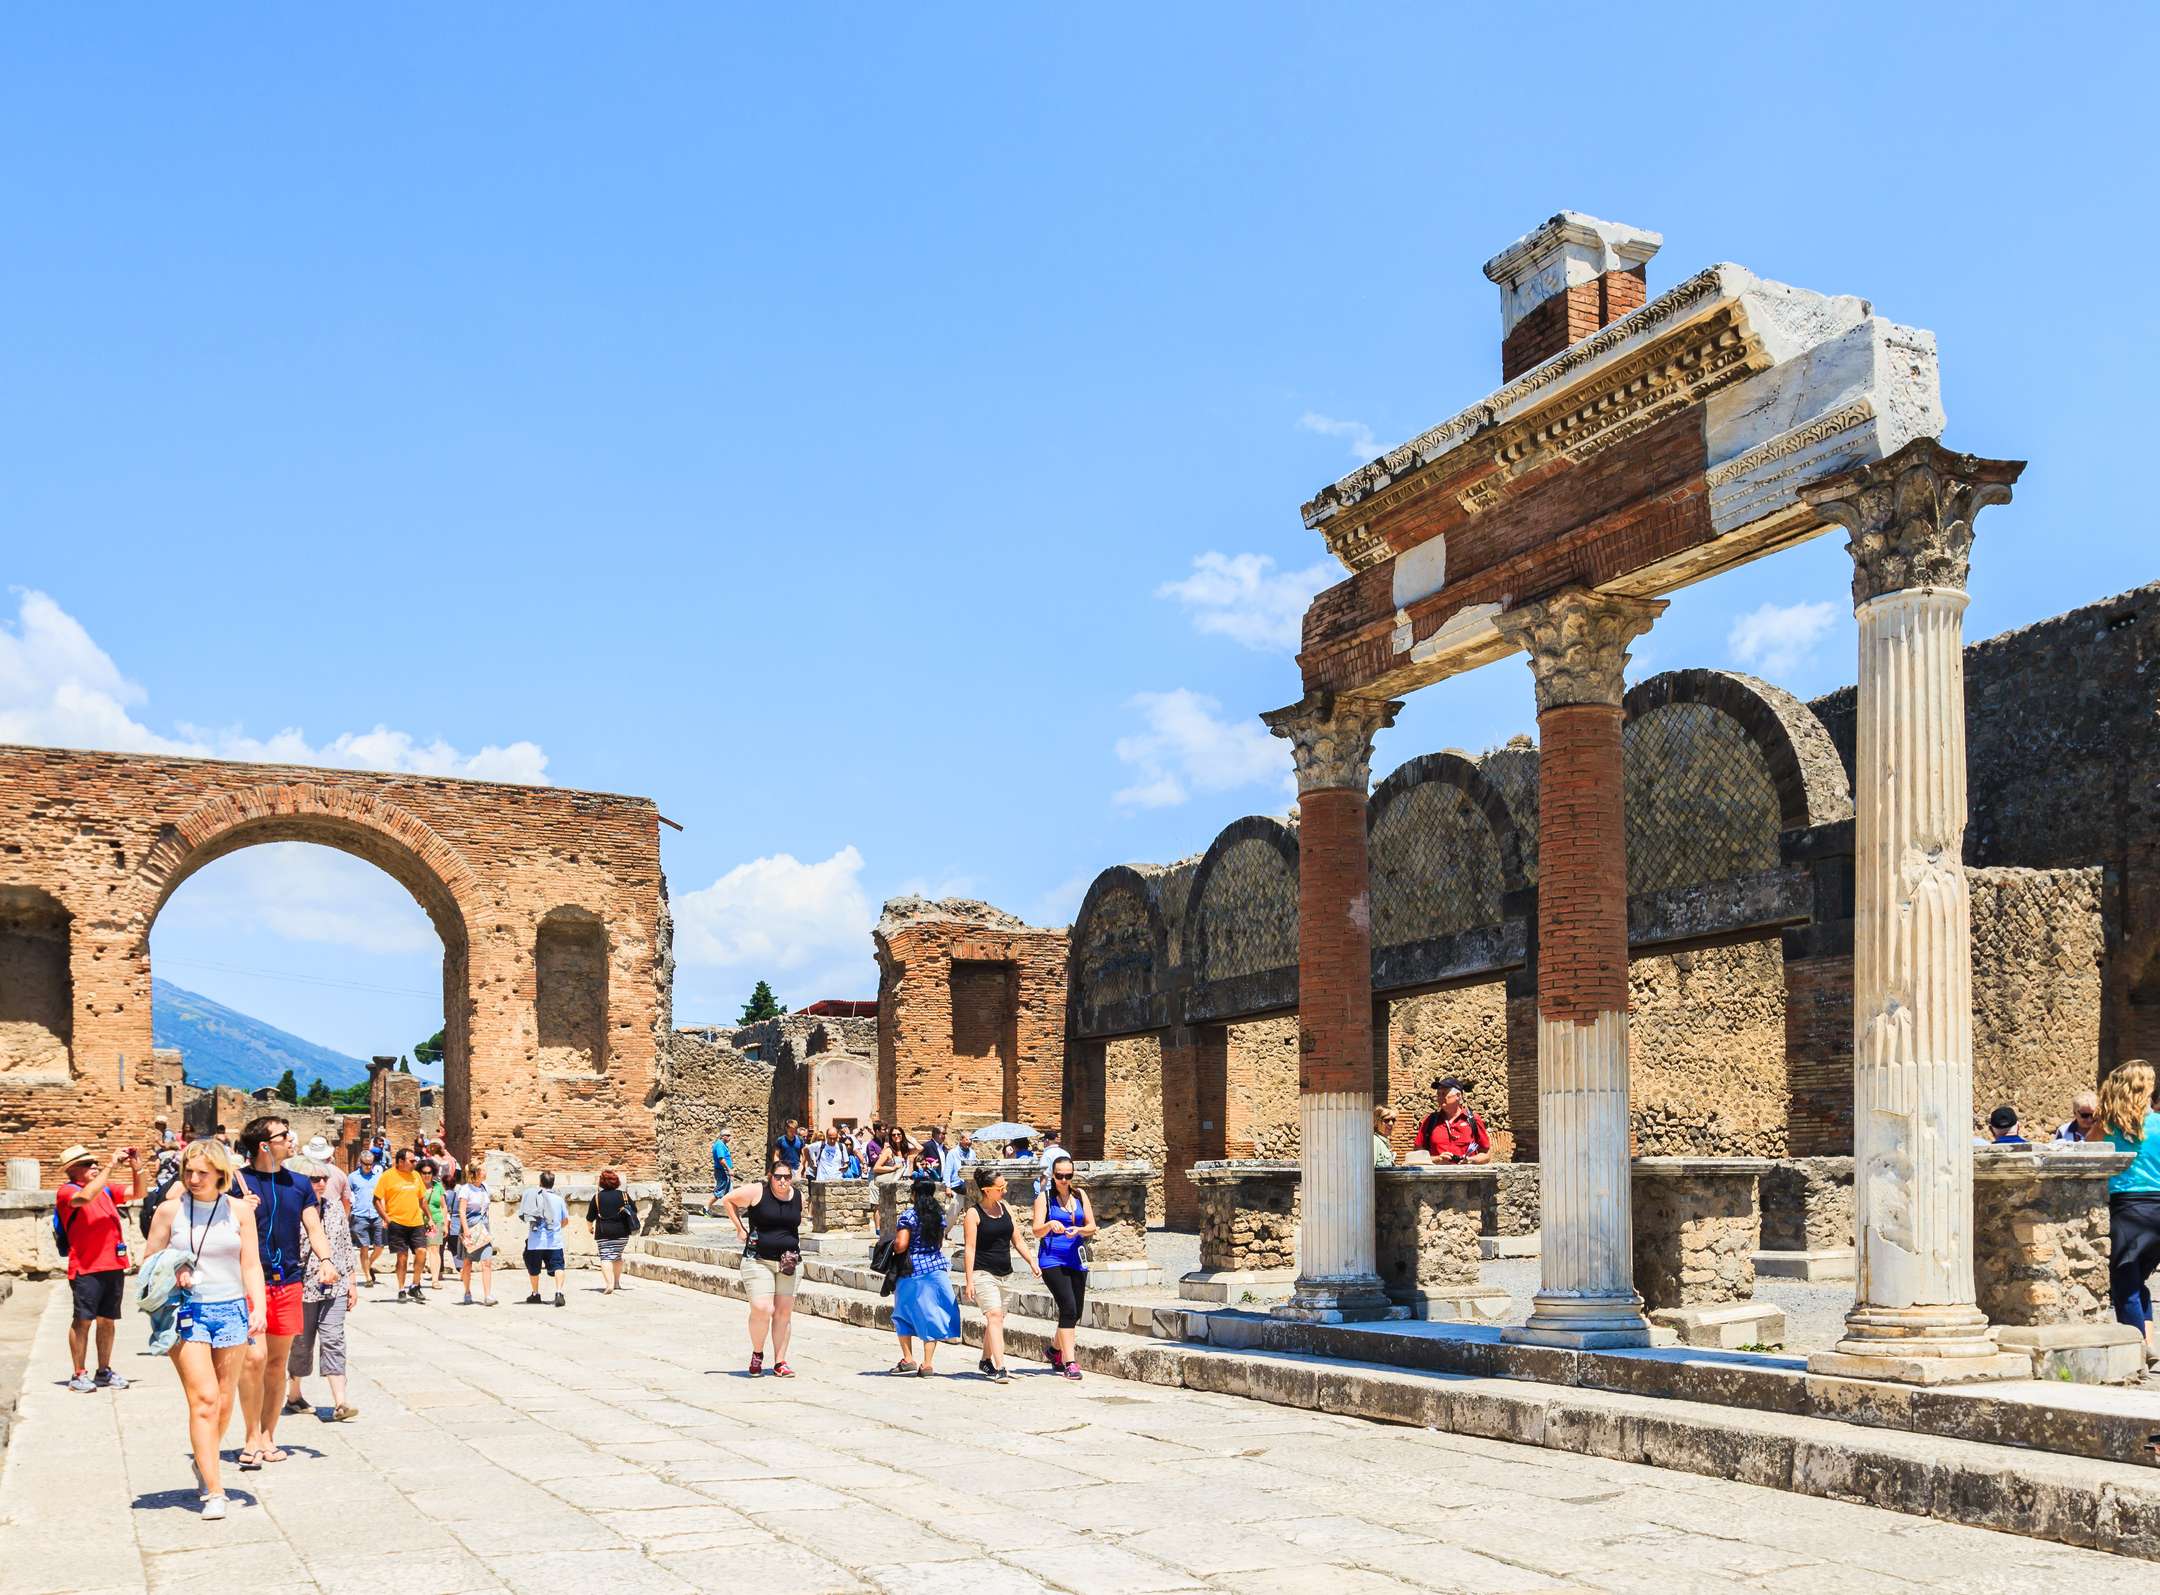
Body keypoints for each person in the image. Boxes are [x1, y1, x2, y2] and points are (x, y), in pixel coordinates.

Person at [142, 1137, 264, 1521]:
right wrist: (174, 1264)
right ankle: (215, 1490)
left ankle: (203, 1457)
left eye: (202, 1173)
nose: (193, 1179)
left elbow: (250, 1264)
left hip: (231, 1309)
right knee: (205, 1399)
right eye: (188, 1172)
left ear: (220, 1174)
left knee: (225, 1401)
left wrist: (258, 1306)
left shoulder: (239, 1211)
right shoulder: (170, 1211)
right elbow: (149, 1260)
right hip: (186, 1312)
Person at [233, 1114, 340, 1468]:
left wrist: (326, 1260)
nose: (291, 1139)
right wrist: (238, 1210)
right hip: (250, 1282)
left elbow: (314, 1227)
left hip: (288, 1281)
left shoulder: (299, 1184)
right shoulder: (237, 1183)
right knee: (254, 1359)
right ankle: (250, 1436)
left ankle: (268, 1435)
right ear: (265, 1145)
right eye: (284, 1135)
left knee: (277, 1364)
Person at [54, 1144, 140, 1393]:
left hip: (113, 1264)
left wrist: (137, 1168)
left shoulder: (106, 1190)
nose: (94, 1165)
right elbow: (84, 1198)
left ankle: (104, 1371)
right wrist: (111, 1166)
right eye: (87, 1164)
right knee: (83, 1321)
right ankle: (78, 1374)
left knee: (107, 1321)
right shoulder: (67, 1191)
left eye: (95, 1162)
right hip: (86, 1267)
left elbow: (138, 1192)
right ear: (72, 1170)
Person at [282, 1153, 360, 1421]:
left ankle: (340, 1402)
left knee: (334, 1339)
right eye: (315, 1179)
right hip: (302, 1286)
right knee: (301, 1343)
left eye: (324, 1178)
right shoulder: (290, 1211)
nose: (322, 1183)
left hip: (335, 1285)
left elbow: (345, 1245)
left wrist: (352, 1282)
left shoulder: (334, 1207)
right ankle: (294, 1394)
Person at [2100, 1059, 2160, 1361]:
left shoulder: (2107, 1127)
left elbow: (2082, 1150)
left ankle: (2134, 1350)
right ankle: (2148, 1342)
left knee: (2124, 1284)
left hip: (2128, 1209)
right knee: (2137, 1281)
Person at [722, 1156, 802, 1376]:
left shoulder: (798, 1196)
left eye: (787, 1177)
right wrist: (740, 1229)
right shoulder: (758, 1191)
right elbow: (728, 1200)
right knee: (762, 1308)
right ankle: (757, 1353)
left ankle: (780, 1362)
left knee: (783, 1313)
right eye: (778, 1177)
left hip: (789, 1262)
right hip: (757, 1260)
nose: (783, 1181)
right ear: (770, 1177)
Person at [961, 1166, 1037, 1384]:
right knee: (994, 1316)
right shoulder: (973, 1214)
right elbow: (970, 1248)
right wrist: (969, 1280)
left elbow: (1018, 1240)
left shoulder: (1005, 1208)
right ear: (987, 1190)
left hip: (1005, 1273)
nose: (1004, 1190)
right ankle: (1000, 1367)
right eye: (1000, 1187)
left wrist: (1032, 1262)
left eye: (1005, 1186)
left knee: (998, 1318)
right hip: (983, 1273)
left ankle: (985, 1359)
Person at [890, 1173, 960, 1375]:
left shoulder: (909, 1216)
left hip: (912, 1271)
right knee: (931, 1315)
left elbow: (901, 1245)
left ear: (914, 1194)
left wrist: (890, 1245)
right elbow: (939, 1243)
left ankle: (908, 1358)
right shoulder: (939, 1216)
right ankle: (927, 1363)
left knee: (903, 1314)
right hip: (936, 1268)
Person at [1032, 1155, 1094, 1379]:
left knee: (1076, 1311)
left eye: (1069, 1175)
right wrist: (1050, 1224)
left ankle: (1054, 1350)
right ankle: (1070, 1362)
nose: (1064, 1180)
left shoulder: (1080, 1195)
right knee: (1068, 1308)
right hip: (1052, 1259)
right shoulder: (1044, 1198)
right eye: (1060, 1176)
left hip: (1076, 1258)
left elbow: (1092, 1226)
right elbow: (1036, 1230)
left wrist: (1079, 1230)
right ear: (1053, 1175)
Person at [375, 1147, 431, 1302]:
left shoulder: (416, 1176)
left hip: (416, 1222)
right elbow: (376, 1200)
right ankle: (401, 1289)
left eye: (415, 1160)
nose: (415, 1163)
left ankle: (415, 1285)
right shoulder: (387, 1176)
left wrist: (430, 1218)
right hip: (397, 1223)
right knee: (402, 1257)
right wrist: (386, 1218)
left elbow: (422, 1199)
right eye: (411, 1161)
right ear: (400, 1161)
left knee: (422, 1251)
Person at [519, 1171, 570, 1306]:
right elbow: (565, 1220)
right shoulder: (559, 1200)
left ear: (540, 1182)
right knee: (558, 1266)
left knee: (533, 1268)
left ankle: (535, 1294)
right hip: (554, 1241)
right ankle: (559, 1293)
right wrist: (556, 1228)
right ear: (553, 1183)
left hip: (535, 1241)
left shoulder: (532, 1197)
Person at [1414, 1078, 1491, 1164]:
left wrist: (1470, 1160)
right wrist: (1438, 1159)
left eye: (1444, 1094)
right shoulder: (1430, 1121)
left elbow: (1486, 1154)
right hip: (1438, 1172)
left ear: (1458, 1095)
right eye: (1438, 1094)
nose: (1440, 1098)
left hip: (1467, 1172)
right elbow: (1418, 1153)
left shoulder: (1473, 1120)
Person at [586, 1169, 639, 1293]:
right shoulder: (624, 1195)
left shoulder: (597, 1197)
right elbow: (634, 1210)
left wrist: (590, 1228)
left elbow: (590, 1217)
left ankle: (609, 1284)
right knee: (617, 1257)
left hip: (604, 1233)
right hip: (622, 1233)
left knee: (605, 1258)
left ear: (601, 1182)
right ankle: (616, 1283)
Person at [452, 1165, 498, 1306]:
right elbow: (461, 1211)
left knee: (487, 1262)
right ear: (475, 1173)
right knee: (467, 1262)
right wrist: (466, 1230)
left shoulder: (485, 1187)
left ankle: (488, 1295)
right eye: (482, 1170)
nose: (485, 1172)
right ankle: (467, 1292)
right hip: (470, 1228)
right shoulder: (465, 1189)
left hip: (483, 1229)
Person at [347, 1147, 385, 1287]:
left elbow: (382, 1196)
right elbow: (347, 1196)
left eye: (371, 1164)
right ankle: (368, 1277)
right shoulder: (352, 1177)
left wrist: (385, 1215)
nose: (369, 1167)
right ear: (360, 1162)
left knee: (379, 1246)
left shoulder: (378, 1177)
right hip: (360, 1215)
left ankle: (368, 1264)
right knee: (364, 1247)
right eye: (366, 1164)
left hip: (376, 1214)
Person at [420, 1160, 450, 1289]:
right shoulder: (416, 1186)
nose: (427, 1175)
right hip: (419, 1222)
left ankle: (435, 1280)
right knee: (420, 1251)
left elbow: (443, 1207)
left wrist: (444, 1224)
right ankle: (417, 1279)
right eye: (424, 1172)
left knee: (434, 1249)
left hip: (435, 1223)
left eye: (429, 1172)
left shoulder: (438, 1187)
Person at [705, 1129, 734, 1215]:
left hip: (725, 1171)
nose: (730, 1137)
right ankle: (706, 1207)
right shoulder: (719, 1145)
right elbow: (721, 1160)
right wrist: (729, 1169)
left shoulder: (722, 1145)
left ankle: (732, 1212)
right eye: (728, 1135)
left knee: (730, 1193)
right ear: (723, 1136)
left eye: (730, 1135)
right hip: (722, 1171)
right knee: (720, 1192)